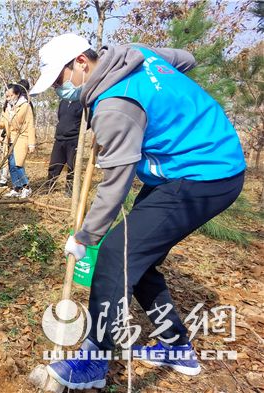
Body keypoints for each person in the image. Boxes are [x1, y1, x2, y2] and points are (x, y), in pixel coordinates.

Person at [29, 34, 245, 389]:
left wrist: (85, 237)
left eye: (59, 79)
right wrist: (171, 108)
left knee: (116, 253)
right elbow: (186, 58)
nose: (58, 89)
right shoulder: (136, 54)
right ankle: (175, 346)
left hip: (203, 174)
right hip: (196, 163)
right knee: (138, 260)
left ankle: (94, 360)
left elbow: (115, 185)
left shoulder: (113, 107)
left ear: (81, 62)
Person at [0, 81, 36, 198]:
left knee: (17, 164)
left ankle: (26, 187)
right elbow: (4, 123)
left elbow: (30, 124)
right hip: (9, 139)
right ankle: (17, 187)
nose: (9, 98)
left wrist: (31, 143)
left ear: (17, 94)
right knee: (10, 164)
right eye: (7, 96)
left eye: (11, 96)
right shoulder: (7, 107)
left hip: (21, 138)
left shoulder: (25, 106)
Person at [47, 99, 83, 196]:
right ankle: (49, 187)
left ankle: (70, 190)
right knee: (54, 164)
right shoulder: (63, 102)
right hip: (59, 138)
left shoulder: (82, 102)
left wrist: (76, 129)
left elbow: (87, 121)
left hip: (74, 139)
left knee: (72, 165)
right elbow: (60, 117)